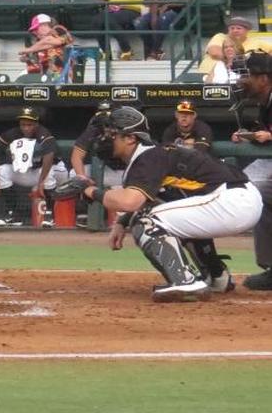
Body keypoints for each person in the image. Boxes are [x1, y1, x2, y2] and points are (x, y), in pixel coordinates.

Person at [82, 106, 259, 301]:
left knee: (146, 221)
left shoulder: (148, 157)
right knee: (171, 217)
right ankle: (216, 276)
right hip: (237, 199)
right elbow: (155, 199)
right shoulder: (151, 155)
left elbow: (130, 202)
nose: (104, 139)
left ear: (130, 138)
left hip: (231, 201)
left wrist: (90, 192)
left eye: (111, 134)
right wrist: (122, 222)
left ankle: (185, 281)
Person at [230, 51, 272, 290]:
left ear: (264, 78)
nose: (243, 81)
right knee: (260, 195)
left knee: (262, 195)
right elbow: (264, 131)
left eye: (249, 76)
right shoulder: (265, 101)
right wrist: (246, 135)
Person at [0, 108, 70, 227]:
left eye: (29, 124)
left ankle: (50, 215)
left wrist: (41, 182)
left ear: (36, 123)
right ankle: (13, 215)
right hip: (31, 171)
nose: (26, 128)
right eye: (23, 124)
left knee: (47, 173)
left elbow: (49, 155)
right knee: (2, 171)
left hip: (56, 171)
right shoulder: (13, 133)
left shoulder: (43, 133)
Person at [71, 100, 126, 192]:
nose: (104, 115)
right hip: (107, 169)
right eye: (102, 111)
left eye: (108, 111)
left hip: (125, 170)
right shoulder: (96, 126)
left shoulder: (125, 126)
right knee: (74, 174)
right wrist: (83, 179)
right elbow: (76, 156)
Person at [199, 17, 272, 76]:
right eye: (232, 28)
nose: (235, 31)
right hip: (208, 76)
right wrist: (238, 61)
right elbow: (215, 53)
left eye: (238, 28)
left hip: (242, 79)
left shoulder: (256, 42)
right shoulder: (220, 37)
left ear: (247, 30)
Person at [19, 13, 73, 78]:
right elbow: (36, 63)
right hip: (48, 78)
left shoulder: (59, 29)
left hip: (65, 75)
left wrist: (29, 50)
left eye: (36, 29)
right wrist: (27, 58)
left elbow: (51, 41)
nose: (35, 33)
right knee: (23, 75)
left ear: (44, 25)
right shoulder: (40, 43)